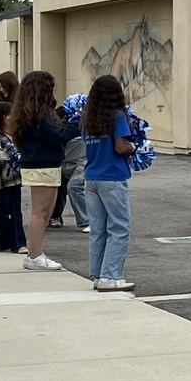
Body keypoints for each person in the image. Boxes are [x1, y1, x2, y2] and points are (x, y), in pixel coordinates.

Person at [7, 71, 79, 271]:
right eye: (51, 86)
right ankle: (34, 255)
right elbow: (59, 135)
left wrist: (67, 113)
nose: (53, 90)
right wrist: (79, 125)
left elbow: (56, 127)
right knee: (40, 212)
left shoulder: (36, 112)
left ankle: (37, 253)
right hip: (42, 165)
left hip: (45, 164)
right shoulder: (39, 114)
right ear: (42, 89)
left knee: (46, 212)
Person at [81, 76, 137, 292]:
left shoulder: (87, 117)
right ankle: (110, 275)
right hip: (112, 177)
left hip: (91, 176)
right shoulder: (117, 116)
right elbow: (120, 147)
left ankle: (97, 274)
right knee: (119, 227)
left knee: (98, 228)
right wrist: (133, 147)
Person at [0, 102, 29, 254]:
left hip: (15, 179)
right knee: (4, 210)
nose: (11, 117)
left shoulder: (15, 133)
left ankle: (17, 243)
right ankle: (2, 242)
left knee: (16, 210)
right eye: (8, 114)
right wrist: (16, 157)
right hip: (2, 180)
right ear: (0, 116)